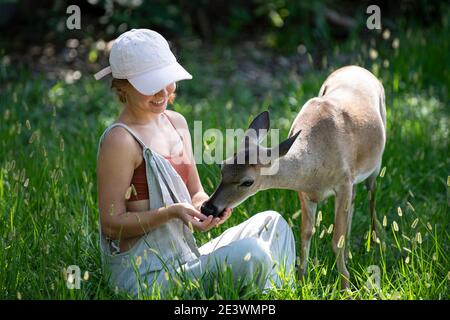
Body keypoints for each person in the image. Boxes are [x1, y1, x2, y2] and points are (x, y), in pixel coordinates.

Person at [95, 28, 296, 298]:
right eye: (150, 85)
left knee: (274, 224)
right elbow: (110, 224)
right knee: (253, 254)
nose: (163, 92)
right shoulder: (120, 140)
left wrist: (209, 211)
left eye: (168, 81)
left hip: (184, 258)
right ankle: (265, 292)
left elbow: (195, 193)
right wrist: (171, 213)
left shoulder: (176, 123)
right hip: (145, 277)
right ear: (123, 86)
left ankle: (272, 295)